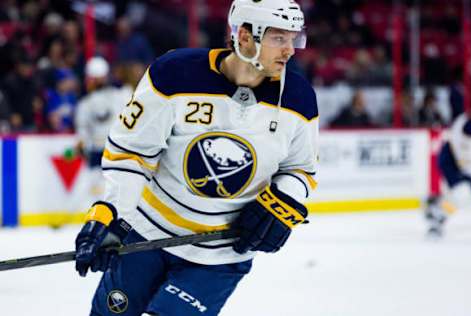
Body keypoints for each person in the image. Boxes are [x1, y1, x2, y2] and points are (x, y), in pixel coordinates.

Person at [74, 1, 319, 315]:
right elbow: (132, 152)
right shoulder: (175, 74)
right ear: (244, 36)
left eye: (293, 39)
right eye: (278, 38)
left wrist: (285, 198)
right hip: (147, 233)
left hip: (219, 256)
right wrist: (110, 213)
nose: (290, 50)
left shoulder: (298, 98)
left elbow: (301, 168)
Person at [75, 56, 132, 203]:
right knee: (98, 188)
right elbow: (82, 129)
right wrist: (82, 142)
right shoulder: (86, 102)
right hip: (102, 149)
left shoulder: (121, 94)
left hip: (113, 148)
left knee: (109, 188)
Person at [425, 92, 471, 237]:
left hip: (462, 162)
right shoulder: (466, 129)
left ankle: (434, 203)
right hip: (451, 161)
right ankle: (437, 219)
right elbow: (466, 164)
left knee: (467, 192)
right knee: (463, 192)